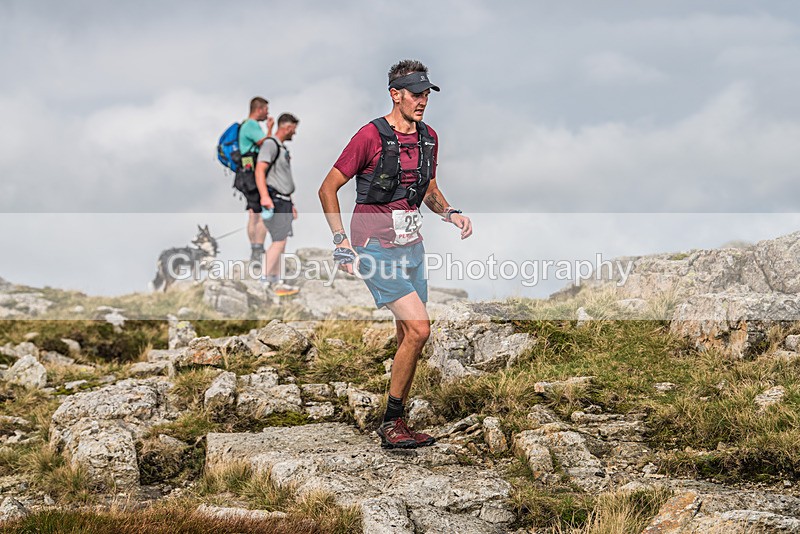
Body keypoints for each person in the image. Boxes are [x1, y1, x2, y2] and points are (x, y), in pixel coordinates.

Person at [318, 60, 472, 449]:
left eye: (425, 94)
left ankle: (395, 415)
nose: (422, 101)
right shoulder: (369, 137)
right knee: (421, 329)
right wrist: (340, 241)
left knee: (408, 332)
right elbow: (327, 188)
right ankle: (392, 423)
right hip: (373, 247)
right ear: (395, 94)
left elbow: (430, 189)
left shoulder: (429, 137)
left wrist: (450, 213)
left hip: (412, 247)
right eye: (415, 93)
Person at [255, 113, 301, 297]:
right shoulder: (270, 144)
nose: (294, 134)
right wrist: (264, 196)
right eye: (294, 130)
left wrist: (291, 204)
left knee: (281, 240)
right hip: (274, 199)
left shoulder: (280, 147)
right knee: (278, 239)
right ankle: (264, 280)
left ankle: (275, 280)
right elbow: (260, 170)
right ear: (288, 127)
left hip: (284, 200)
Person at [238, 97, 275, 263]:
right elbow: (266, 144)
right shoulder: (252, 125)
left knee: (253, 213)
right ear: (259, 109)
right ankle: (258, 251)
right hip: (254, 175)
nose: (267, 113)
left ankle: (255, 249)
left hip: (245, 174)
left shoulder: (244, 125)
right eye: (266, 110)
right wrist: (270, 129)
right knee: (261, 213)